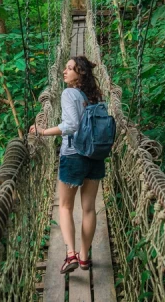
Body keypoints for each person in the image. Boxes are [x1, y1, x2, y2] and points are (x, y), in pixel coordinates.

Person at [28, 55, 104, 274]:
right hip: (95, 156)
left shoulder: (68, 93)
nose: (64, 71)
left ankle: (70, 254)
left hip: (73, 156)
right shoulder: (95, 96)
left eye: (70, 68)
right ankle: (84, 257)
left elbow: (70, 125)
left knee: (65, 206)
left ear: (79, 74)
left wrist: (43, 132)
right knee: (89, 208)